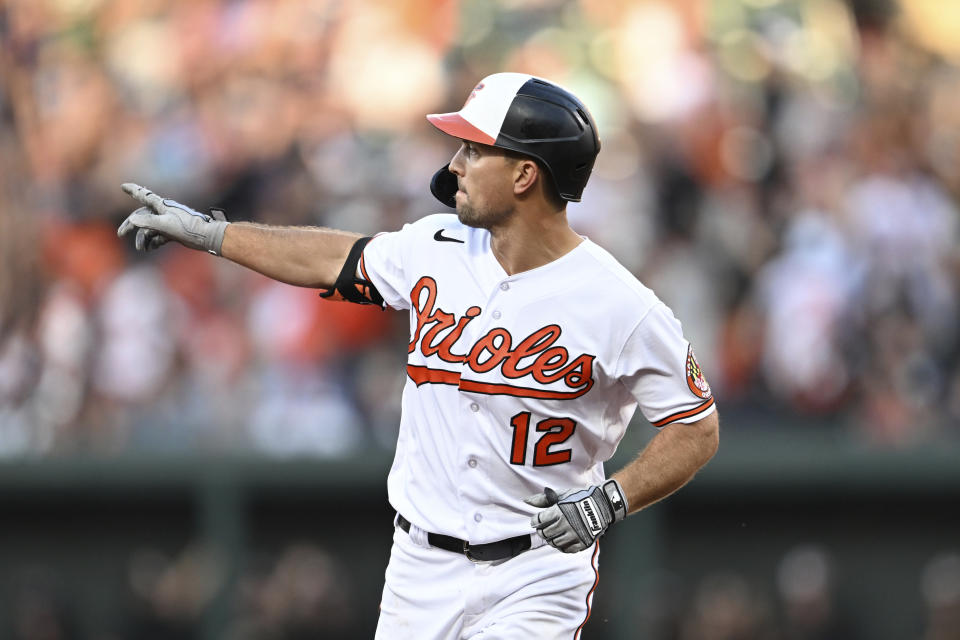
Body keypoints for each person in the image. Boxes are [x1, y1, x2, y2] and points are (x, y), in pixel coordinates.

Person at [118, 72, 719, 640]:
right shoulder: (436, 246)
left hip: (535, 570)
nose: (454, 163)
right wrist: (213, 235)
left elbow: (696, 426)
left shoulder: (620, 304)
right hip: (418, 566)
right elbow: (331, 258)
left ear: (524, 176)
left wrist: (610, 500)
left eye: (474, 150)